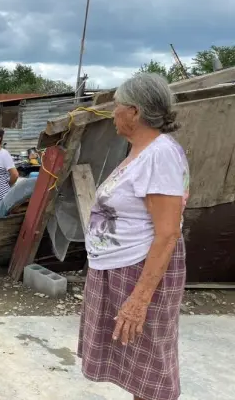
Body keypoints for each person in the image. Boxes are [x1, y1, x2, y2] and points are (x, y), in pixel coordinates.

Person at [78, 73, 189, 400]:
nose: (113, 113)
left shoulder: (160, 154)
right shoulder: (143, 152)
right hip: (121, 267)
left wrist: (139, 300)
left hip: (138, 271)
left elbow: (168, 233)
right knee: (135, 367)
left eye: (117, 106)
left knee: (150, 370)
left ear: (136, 112)